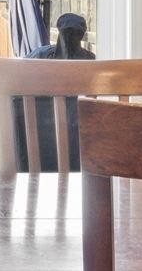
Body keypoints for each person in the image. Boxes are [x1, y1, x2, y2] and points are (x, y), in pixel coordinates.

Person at [21, 13, 93, 169]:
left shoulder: (92, 63)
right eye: (67, 33)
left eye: (74, 34)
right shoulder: (40, 57)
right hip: (46, 130)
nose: (70, 39)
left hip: (71, 134)